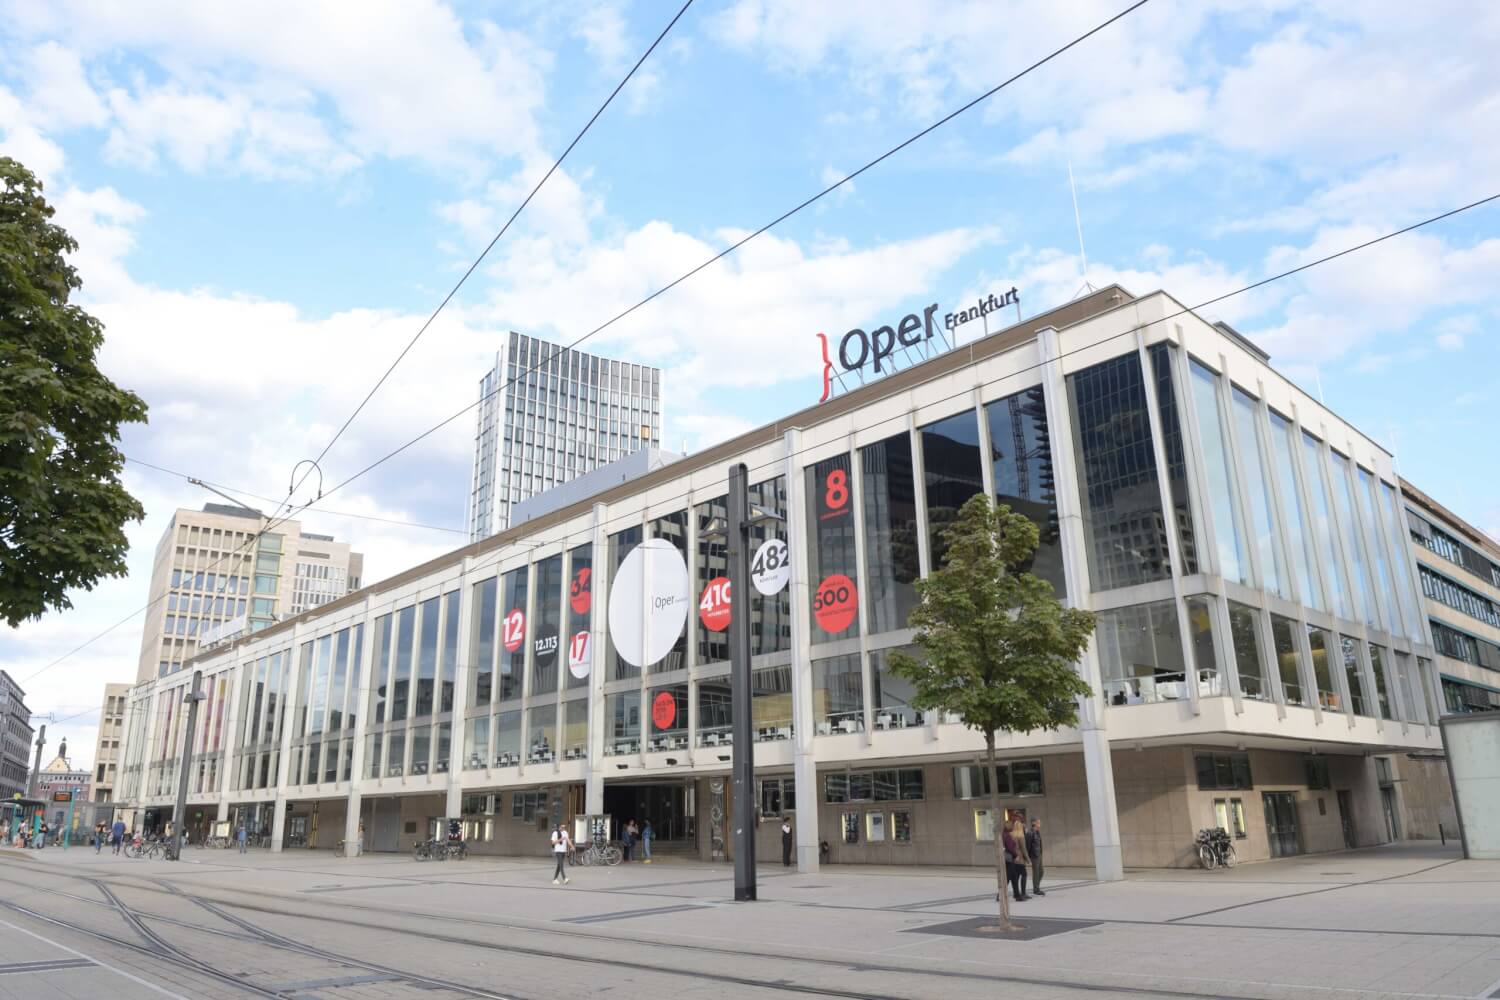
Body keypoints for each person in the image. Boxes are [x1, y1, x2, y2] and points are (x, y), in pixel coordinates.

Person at [1001, 821, 1027, 902]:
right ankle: (1001, 895)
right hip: (1009, 860)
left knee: (1014, 877)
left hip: (1007, 859)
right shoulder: (1007, 836)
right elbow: (1010, 848)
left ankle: (1017, 895)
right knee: (1008, 878)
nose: (1013, 828)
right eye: (1012, 826)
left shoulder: (1004, 834)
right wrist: (1016, 855)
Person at [1010, 819, 1031, 900]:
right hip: (1020, 859)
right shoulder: (1020, 836)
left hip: (1013, 859)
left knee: (1016, 876)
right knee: (1024, 875)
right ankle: (1023, 893)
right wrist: (1028, 859)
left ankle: (1016, 893)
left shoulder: (1011, 835)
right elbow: (1023, 849)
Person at [1027, 818, 1045, 896]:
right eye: (1038, 822)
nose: (1039, 824)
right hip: (1034, 855)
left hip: (1039, 855)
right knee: (1036, 872)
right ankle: (1036, 889)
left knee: (1041, 872)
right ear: (1034, 823)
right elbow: (1027, 845)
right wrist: (1027, 857)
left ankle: (1036, 886)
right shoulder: (1030, 833)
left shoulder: (1037, 832)